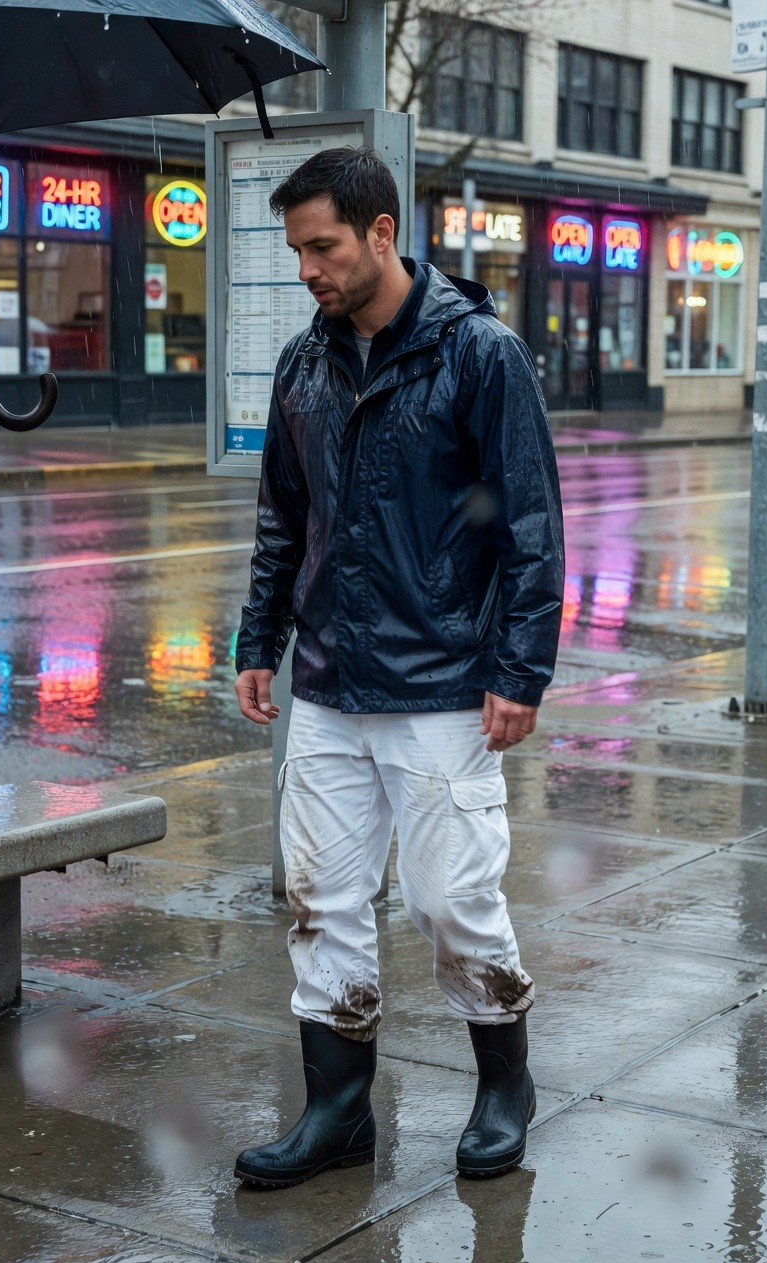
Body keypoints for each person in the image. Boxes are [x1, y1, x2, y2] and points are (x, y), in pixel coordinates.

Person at [233, 147, 564, 1189]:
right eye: (297, 251)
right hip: (327, 686)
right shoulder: (304, 364)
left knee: (450, 900)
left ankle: (504, 1085)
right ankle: (337, 1112)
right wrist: (259, 642)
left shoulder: (480, 357)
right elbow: (285, 519)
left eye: (323, 246)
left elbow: (532, 527)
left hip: (443, 687)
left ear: (382, 233)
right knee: (322, 899)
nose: (309, 270)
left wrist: (521, 668)